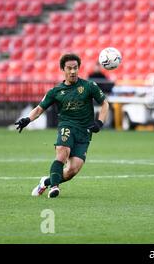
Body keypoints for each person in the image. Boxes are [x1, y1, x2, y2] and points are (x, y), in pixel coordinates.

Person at [14, 53, 109, 198]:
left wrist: (99, 123)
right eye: (69, 68)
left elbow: (104, 104)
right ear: (62, 69)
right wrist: (27, 119)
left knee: (72, 171)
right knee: (62, 151)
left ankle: (46, 181)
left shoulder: (89, 86)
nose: (73, 71)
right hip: (67, 127)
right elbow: (39, 109)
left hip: (84, 132)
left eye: (75, 68)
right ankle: (54, 187)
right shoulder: (55, 91)